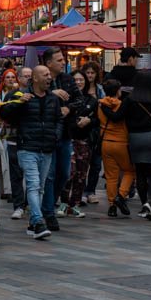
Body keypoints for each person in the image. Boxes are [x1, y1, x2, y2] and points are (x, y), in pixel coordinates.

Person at [0, 65, 62, 240]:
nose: (49, 77)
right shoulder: (20, 95)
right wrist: (19, 103)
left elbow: (58, 120)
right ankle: (38, 220)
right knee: (33, 185)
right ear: (35, 78)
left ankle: (33, 224)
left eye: (50, 74)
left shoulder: (53, 99)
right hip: (27, 147)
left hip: (47, 148)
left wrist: (56, 136)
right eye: (45, 74)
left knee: (39, 187)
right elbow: (4, 113)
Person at [40, 46, 81, 233]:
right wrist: (51, 94)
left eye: (63, 60)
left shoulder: (67, 79)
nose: (63, 62)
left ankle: (50, 202)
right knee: (49, 175)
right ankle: (48, 213)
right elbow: (33, 99)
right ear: (48, 63)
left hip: (65, 134)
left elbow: (80, 100)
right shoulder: (41, 79)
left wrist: (68, 109)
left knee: (63, 173)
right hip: (47, 134)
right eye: (59, 60)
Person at [126, 68, 151, 220]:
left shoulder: (130, 99)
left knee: (140, 172)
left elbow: (119, 116)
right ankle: (150, 201)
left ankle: (144, 204)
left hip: (135, 137)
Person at [0, 66, 31, 219]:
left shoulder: (39, 95)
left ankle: (29, 203)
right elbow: (4, 113)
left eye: (31, 75)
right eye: (25, 76)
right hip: (14, 139)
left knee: (32, 176)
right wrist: (18, 102)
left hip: (31, 140)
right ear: (20, 78)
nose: (28, 78)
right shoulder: (10, 95)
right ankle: (18, 205)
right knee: (16, 174)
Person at [62, 69, 97, 218]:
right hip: (69, 139)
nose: (79, 82)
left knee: (81, 174)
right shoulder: (66, 99)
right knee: (69, 172)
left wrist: (90, 120)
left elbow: (98, 119)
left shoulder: (92, 100)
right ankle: (63, 202)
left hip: (84, 140)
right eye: (75, 80)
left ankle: (74, 204)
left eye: (81, 80)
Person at [98, 77, 133, 218]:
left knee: (111, 176)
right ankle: (121, 195)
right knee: (129, 171)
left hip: (106, 142)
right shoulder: (121, 105)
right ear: (118, 91)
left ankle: (112, 205)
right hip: (121, 142)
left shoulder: (100, 104)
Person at [80, 60, 105, 203]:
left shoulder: (100, 89)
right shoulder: (80, 89)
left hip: (97, 128)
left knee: (96, 162)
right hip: (84, 130)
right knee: (82, 162)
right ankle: (82, 190)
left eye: (92, 73)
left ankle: (91, 190)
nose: (90, 75)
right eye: (87, 72)